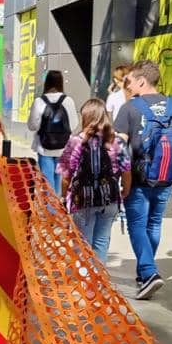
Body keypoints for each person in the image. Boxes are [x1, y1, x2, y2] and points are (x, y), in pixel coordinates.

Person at [114, 59, 172, 300]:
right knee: (154, 224)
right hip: (166, 177)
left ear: (141, 81)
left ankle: (149, 272)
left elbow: (119, 148)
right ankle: (144, 275)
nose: (127, 86)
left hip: (138, 178)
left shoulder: (129, 108)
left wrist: (120, 178)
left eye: (129, 81)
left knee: (137, 225)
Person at [59, 98, 131, 265]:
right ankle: (99, 279)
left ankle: (85, 279)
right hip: (109, 198)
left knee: (83, 245)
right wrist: (125, 191)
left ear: (85, 116)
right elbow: (126, 170)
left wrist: (63, 196)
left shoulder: (76, 141)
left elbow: (66, 175)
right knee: (101, 242)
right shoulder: (116, 141)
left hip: (83, 200)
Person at [27, 70, 80, 193]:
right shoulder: (68, 101)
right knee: (60, 183)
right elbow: (74, 124)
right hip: (64, 147)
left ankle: (50, 205)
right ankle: (58, 204)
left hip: (44, 148)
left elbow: (32, 126)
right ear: (61, 83)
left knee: (47, 184)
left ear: (46, 83)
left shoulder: (39, 101)